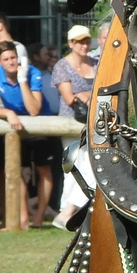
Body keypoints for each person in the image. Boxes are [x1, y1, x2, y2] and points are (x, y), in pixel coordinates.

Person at [0, 44, 52, 226]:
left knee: (43, 170)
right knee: (17, 171)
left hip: (38, 124)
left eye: (13, 57)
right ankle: (22, 219)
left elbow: (34, 109)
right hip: (15, 125)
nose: (10, 62)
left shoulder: (32, 72)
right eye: (6, 59)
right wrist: (7, 113)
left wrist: (22, 81)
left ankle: (38, 219)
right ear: (0, 62)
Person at [51, 25, 97, 227]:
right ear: (71, 43)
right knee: (75, 167)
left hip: (95, 123)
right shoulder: (62, 65)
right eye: (79, 41)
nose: (83, 45)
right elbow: (70, 98)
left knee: (90, 166)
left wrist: (86, 96)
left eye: (86, 41)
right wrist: (90, 95)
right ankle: (68, 211)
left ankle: (67, 212)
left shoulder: (97, 62)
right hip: (71, 123)